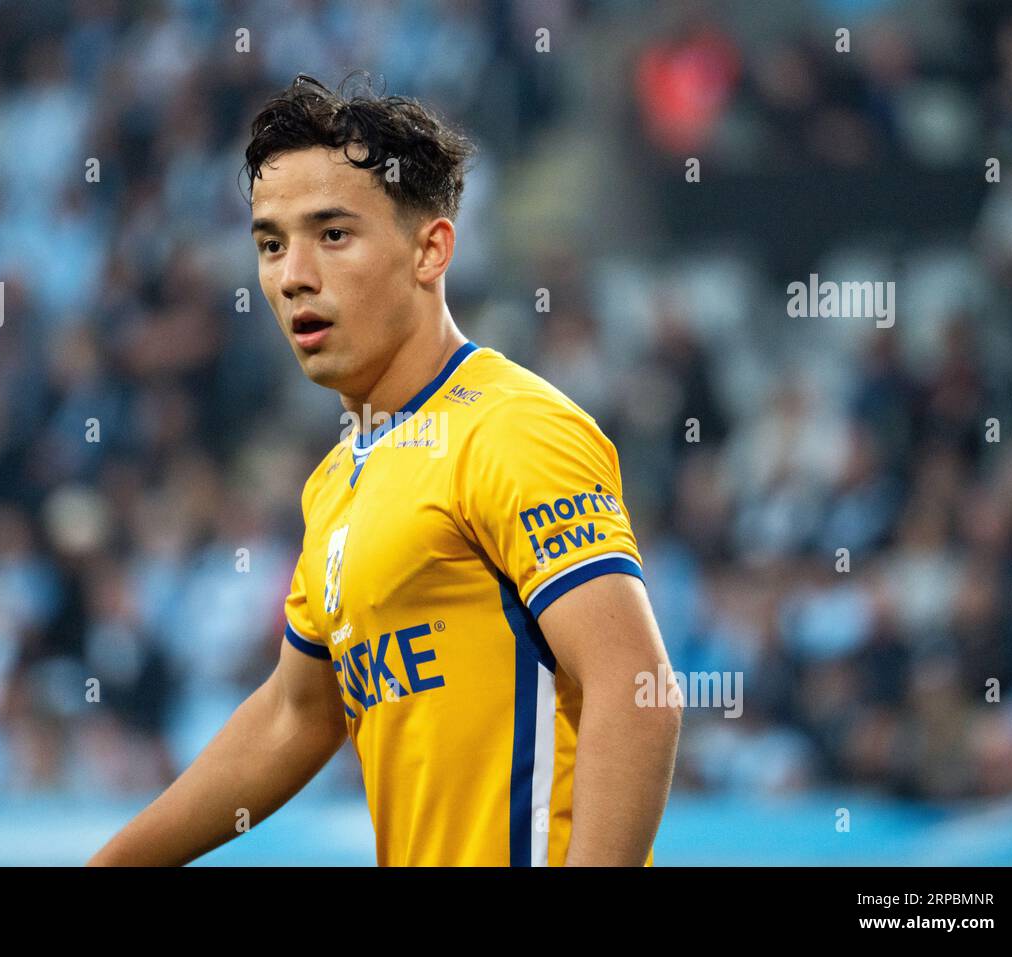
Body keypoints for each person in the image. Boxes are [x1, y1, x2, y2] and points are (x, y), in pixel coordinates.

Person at [89, 73, 680, 867]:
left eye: (332, 234)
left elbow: (636, 691)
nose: (293, 273)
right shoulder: (338, 480)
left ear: (430, 249)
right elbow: (294, 715)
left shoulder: (510, 428)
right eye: (270, 243)